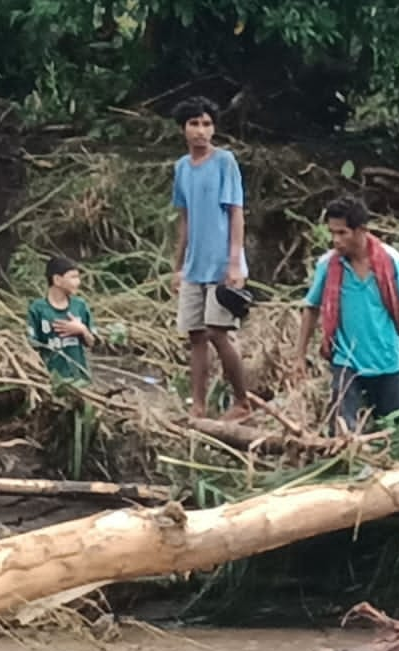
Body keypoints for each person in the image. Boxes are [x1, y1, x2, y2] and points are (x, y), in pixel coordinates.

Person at [294, 195, 399, 432]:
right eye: (332, 233)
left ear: (361, 230)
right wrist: (299, 355)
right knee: (342, 430)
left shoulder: (390, 260)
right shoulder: (329, 265)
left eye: (342, 233)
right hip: (346, 361)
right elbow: (311, 308)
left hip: (386, 360)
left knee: (392, 431)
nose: (336, 240)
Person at [169, 95, 253, 421]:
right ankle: (199, 406)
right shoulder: (181, 168)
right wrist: (177, 266)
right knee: (195, 336)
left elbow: (236, 213)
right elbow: (185, 218)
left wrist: (234, 262)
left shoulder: (224, 162)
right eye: (194, 124)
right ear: (183, 129)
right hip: (194, 266)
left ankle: (242, 401)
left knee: (219, 332)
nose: (201, 131)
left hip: (221, 264)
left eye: (206, 124)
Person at [26, 256, 95, 383]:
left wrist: (82, 330)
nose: (78, 282)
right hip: (50, 379)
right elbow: (31, 345)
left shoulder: (80, 306)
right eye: (73, 277)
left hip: (79, 379)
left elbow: (92, 342)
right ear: (57, 279)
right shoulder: (38, 309)